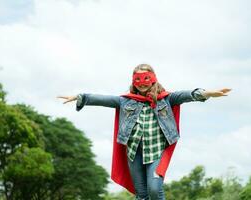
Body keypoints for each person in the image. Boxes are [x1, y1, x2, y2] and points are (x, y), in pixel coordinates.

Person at [57, 64, 231, 200]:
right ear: (133, 81)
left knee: (154, 189)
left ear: (153, 79)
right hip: (134, 152)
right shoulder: (126, 101)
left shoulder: (167, 99)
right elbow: (101, 99)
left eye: (145, 78)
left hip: (156, 152)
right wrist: (80, 97)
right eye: (137, 79)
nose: (142, 83)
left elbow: (188, 94)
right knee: (141, 195)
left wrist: (206, 93)